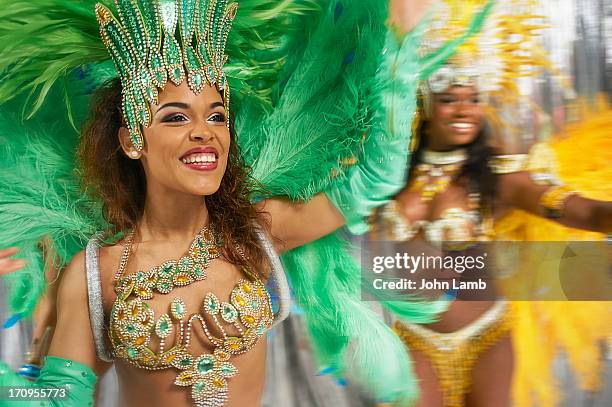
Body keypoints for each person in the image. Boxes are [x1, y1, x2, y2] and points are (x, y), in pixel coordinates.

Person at [0, 0, 494, 406]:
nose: (204, 133)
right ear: (132, 141)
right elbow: (58, 397)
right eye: (175, 117)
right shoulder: (95, 270)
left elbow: (373, 178)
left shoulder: (257, 232)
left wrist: (400, 59)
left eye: (216, 115)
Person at [367, 1, 612, 406]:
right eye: (451, 99)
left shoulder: (499, 178)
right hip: (414, 335)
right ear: (426, 106)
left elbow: (583, 211)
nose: (465, 110)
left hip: (487, 339)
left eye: (474, 99)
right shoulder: (388, 177)